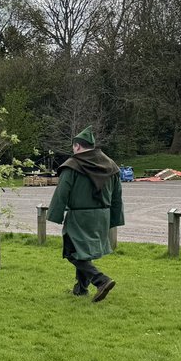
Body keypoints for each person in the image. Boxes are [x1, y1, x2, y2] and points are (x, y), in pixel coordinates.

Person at [46, 126, 124, 301]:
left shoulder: (73, 165)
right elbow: (117, 196)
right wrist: (114, 218)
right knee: (84, 252)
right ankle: (80, 289)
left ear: (78, 146)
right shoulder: (111, 166)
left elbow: (61, 193)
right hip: (102, 216)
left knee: (72, 251)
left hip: (79, 217)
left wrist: (54, 215)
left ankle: (100, 280)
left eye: (74, 147)